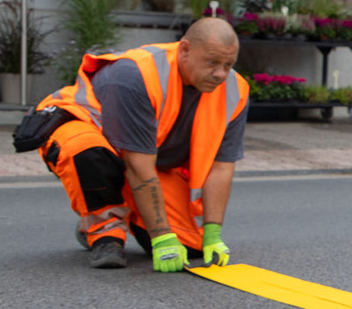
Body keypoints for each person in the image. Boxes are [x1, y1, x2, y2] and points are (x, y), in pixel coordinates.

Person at [27, 16, 249, 272]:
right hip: (84, 135)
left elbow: (220, 168)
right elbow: (137, 167)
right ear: (185, 49)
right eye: (212, 62)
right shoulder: (137, 74)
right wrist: (162, 237)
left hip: (147, 161)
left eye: (228, 64)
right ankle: (103, 233)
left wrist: (212, 234)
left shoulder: (235, 89)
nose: (220, 73)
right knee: (85, 150)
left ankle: (123, 215)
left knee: (192, 247)